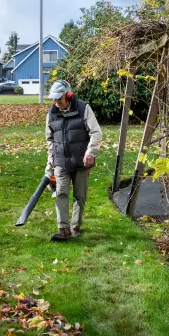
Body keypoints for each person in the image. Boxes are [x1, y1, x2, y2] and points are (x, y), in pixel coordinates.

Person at [45, 80, 102, 241]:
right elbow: (50, 138)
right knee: (61, 193)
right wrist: (51, 157)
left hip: (81, 161)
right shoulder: (52, 112)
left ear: (68, 96)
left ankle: (75, 226)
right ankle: (63, 229)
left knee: (80, 195)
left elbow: (96, 133)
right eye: (54, 100)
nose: (56, 103)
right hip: (61, 161)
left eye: (59, 99)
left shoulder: (84, 108)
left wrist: (91, 152)